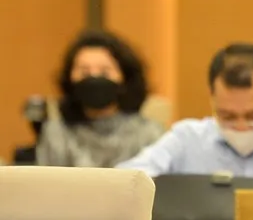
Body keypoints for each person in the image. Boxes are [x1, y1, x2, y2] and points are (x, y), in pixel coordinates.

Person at [117, 43, 253, 184]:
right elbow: (125, 180)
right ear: (212, 100)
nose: (241, 127)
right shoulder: (187, 138)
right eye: (228, 116)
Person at [36, 29, 163, 167]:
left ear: (125, 78)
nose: (94, 77)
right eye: (84, 72)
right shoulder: (56, 132)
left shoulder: (148, 134)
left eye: (105, 72)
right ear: (69, 78)